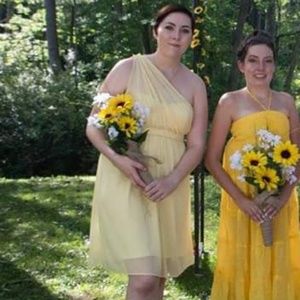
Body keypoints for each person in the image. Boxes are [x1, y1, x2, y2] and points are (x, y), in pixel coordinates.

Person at [86, 4, 208, 300]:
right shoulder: (128, 68)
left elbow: (196, 145)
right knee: (143, 279)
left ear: (192, 37)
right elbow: (93, 126)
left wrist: (172, 180)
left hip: (170, 181)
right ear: (156, 31)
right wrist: (120, 161)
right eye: (169, 27)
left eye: (185, 30)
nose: (176, 36)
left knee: (156, 280)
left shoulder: (195, 84)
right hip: (127, 178)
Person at [205, 30, 300, 299]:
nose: (261, 68)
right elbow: (212, 159)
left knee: (278, 259)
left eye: (268, 60)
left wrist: (282, 197)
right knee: (242, 260)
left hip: (278, 202)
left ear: (274, 65)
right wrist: (242, 201)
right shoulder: (230, 101)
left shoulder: (287, 102)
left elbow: (297, 156)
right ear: (241, 64)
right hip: (242, 202)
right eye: (253, 60)